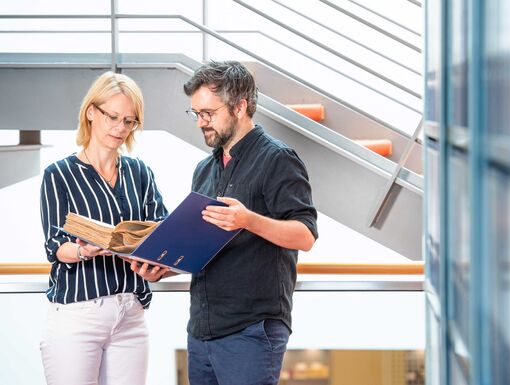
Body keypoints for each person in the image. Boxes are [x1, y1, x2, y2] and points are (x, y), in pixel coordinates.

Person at [183, 60, 318, 384]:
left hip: (251, 332)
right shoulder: (205, 169)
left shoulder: (277, 159)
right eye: (196, 113)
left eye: (209, 113)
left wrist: (248, 220)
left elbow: (305, 235)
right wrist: (162, 263)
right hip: (201, 331)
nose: (201, 122)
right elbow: (200, 245)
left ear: (240, 106)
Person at [39, 71, 169, 385]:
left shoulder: (139, 172)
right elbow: (56, 247)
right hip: (78, 315)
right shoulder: (59, 174)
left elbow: (162, 230)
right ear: (91, 113)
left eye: (129, 120)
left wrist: (158, 264)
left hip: (130, 314)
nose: (120, 128)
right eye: (112, 116)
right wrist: (84, 250)